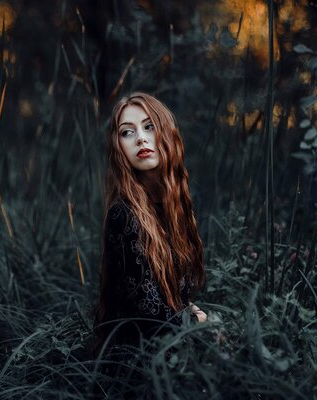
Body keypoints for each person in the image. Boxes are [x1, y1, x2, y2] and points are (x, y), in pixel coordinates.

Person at [93, 92, 207, 393]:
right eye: (127, 132)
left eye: (149, 127)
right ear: (119, 148)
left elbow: (173, 296)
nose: (140, 139)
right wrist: (200, 323)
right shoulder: (125, 214)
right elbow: (149, 314)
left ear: (167, 133)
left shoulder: (175, 207)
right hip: (134, 372)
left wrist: (191, 311)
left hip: (167, 360)